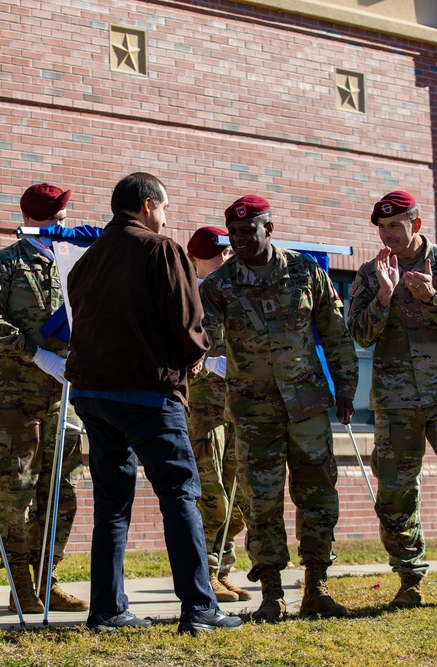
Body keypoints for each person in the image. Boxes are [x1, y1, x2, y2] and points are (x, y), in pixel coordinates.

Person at [65, 172, 242, 634]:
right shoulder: (161, 250)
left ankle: (106, 609)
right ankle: (200, 609)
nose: (165, 217)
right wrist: (195, 358)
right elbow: (187, 322)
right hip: (147, 394)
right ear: (147, 206)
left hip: (91, 394)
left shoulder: (87, 260)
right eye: (164, 208)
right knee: (180, 495)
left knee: (112, 504)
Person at [200, 195, 358, 622]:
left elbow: (335, 333)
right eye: (232, 234)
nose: (239, 241)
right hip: (253, 413)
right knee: (260, 501)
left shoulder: (306, 272)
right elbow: (203, 338)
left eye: (247, 232)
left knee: (318, 495)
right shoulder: (219, 285)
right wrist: (216, 362)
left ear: (269, 229)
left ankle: (317, 588)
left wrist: (346, 388)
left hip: (307, 406)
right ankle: (272, 594)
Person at [346, 190, 437, 610]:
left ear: (417, 224)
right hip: (394, 400)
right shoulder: (370, 274)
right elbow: (358, 334)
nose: (388, 233)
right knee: (395, 492)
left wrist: (430, 297)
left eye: (396, 225)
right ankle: (409, 579)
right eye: (382, 227)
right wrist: (384, 297)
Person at [0, 183, 89, 614]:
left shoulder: (73, 262)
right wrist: (33, 352)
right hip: (12, 398)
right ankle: (20, 579)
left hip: (63, 395)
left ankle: (46, 574)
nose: (63, 221)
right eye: (57, 215)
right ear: (39, 217)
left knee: (62, 486)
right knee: (16, 488)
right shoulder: (4, 263)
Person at [184, 226, 251, 603]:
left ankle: (223, 569)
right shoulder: (185, 293)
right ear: (195, 258)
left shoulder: (236, 291)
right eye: (216, 254)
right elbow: (171, 341)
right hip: (203, 412)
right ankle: (204, 573)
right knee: (212, 497)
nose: (224, 260)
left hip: (236, 406)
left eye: (228, 253)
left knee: (237, 495)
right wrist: (208, 362)